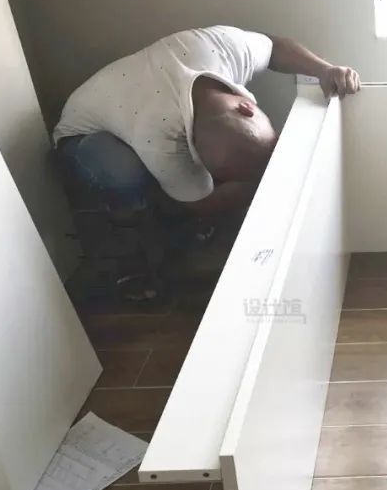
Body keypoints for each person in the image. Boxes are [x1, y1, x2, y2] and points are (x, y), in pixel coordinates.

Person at [53, 25, 360, 298]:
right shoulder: (156, 135)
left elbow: (274, 46)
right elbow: (199, 202)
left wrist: (324, 69)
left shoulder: (222, 49)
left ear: (246, 107)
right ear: (191, 148)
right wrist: (263, 185)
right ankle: (133, 256)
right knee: (127, 176)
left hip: (135, 103)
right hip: (82, 140)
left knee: (180, 185)